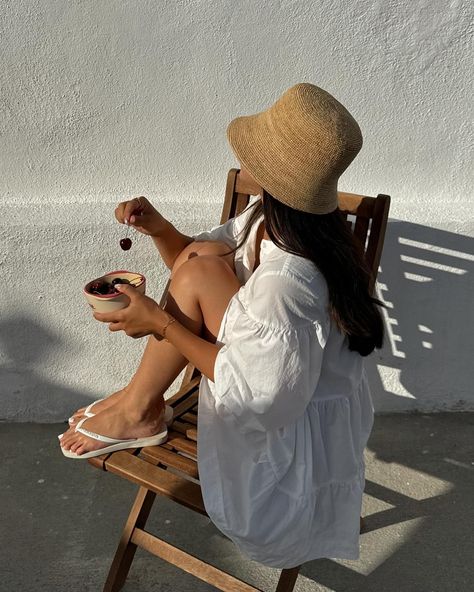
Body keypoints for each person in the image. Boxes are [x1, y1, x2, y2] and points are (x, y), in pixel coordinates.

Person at [59, 83, 385, 567]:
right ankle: (138, 404)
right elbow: (193, 267)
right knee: (202, 256)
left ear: (277, 176)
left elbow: (260, 397)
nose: (240, 155)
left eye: (253, 150)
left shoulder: (287, 283)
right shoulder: (274, 218)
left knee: (200, 266)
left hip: (281, 446)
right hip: (273, 377)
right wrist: (160, 229)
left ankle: (139, 408)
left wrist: (162, 325)